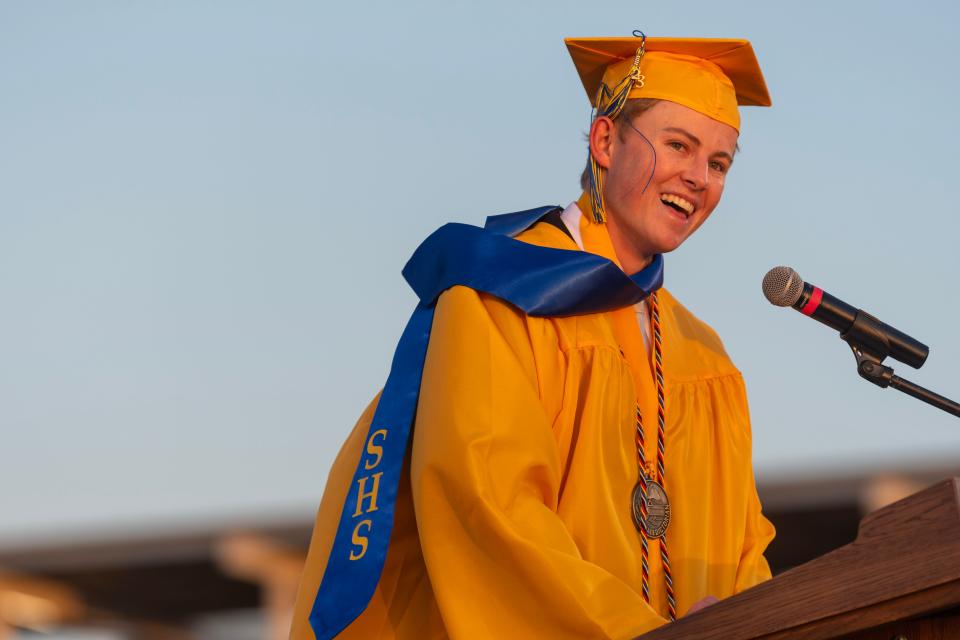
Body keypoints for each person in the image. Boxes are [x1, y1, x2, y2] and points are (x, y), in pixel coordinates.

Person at [290, 34, 776, 640]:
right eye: (678, 145)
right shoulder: (502, 293)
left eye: (719, 163)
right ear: (605, 142)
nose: (698, 177)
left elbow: (744, 551)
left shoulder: (705, 357)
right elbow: (489, 507)